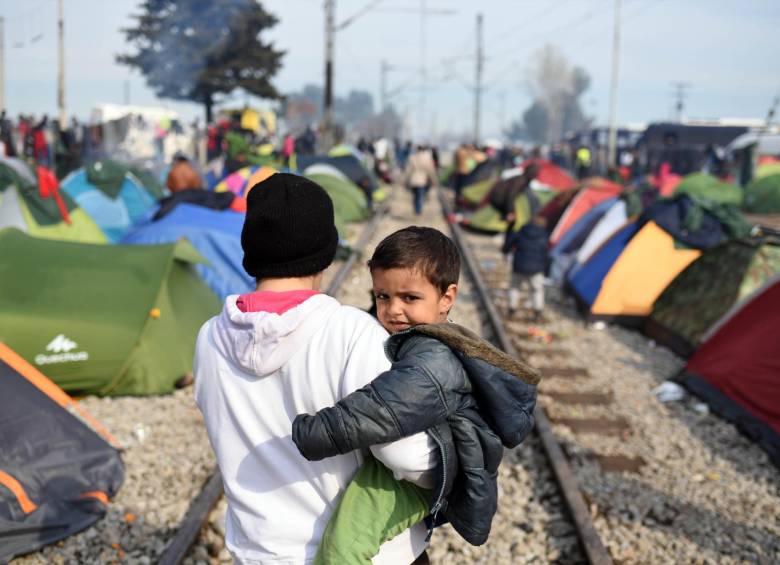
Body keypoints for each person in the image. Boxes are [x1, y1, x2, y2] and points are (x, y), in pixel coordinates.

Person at [194, 174, 436, 565]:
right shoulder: (352, 333)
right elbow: (408, 457)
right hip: (364, 555)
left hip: (260, 554)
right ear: (326, 254)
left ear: (250, 252)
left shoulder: (209, 338)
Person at [293, 226, 539, 564]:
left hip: (414, 479)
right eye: (382, 296)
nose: (393, 310)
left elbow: (382, 409)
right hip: (424, 464)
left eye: (409, 298)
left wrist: (314, 432)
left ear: (447, 298)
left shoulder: (433, 357)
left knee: (343, 547)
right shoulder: (420, 339)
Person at [502, 214, 549, 322]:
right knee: (537, 290)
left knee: (515, 287)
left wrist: (505, 251)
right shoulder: (544, 236)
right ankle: (538, 312)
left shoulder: (521, 232)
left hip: (519, 265)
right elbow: (546, 255)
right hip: (536, 269)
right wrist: (546, 270)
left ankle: (512, 309)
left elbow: (509, 243)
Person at [489, 162, 539, 249]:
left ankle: (503, 239)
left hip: (499, 197)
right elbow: (511, 195)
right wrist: (510, 211)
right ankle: (505, 244)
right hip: (499, 198)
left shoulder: (522, 179)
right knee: (513, 221)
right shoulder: (521, 181)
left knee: (511, 220)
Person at [404, 145, 438, 215]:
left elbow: (408, 170)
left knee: (415, 195)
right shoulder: (427, 158)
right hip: (422, 179)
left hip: (413, 179)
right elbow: (430, 170)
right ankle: (418, 211)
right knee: (420, 196)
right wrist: (433, 180)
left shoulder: (412, 157)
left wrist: (406, 180)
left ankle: (416, 209)